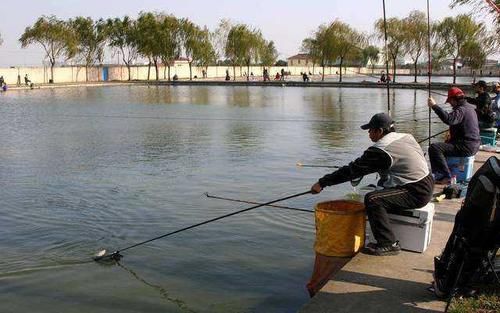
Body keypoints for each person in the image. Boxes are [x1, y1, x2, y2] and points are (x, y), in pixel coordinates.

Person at [310, 113, 433, 256]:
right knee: (378, 189)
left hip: (416, 191)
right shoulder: (406, 137)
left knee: (373, 199)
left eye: (370, 130)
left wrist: (322, 183)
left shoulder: (381, 149)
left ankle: (388, 243)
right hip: (426, 181)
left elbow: (351, 171)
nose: (368, 134)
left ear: (379, 131)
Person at [428, 87, 480, 184]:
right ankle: (444, 172)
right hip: (474, 145)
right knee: (444, 145)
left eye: (450, 102)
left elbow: (449, 119)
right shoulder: (470, 108)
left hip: (466, 147)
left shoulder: (461, 110)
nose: (450, 104)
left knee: (434, 148)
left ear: (453, 100)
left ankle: (445, 176)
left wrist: (434, 106)